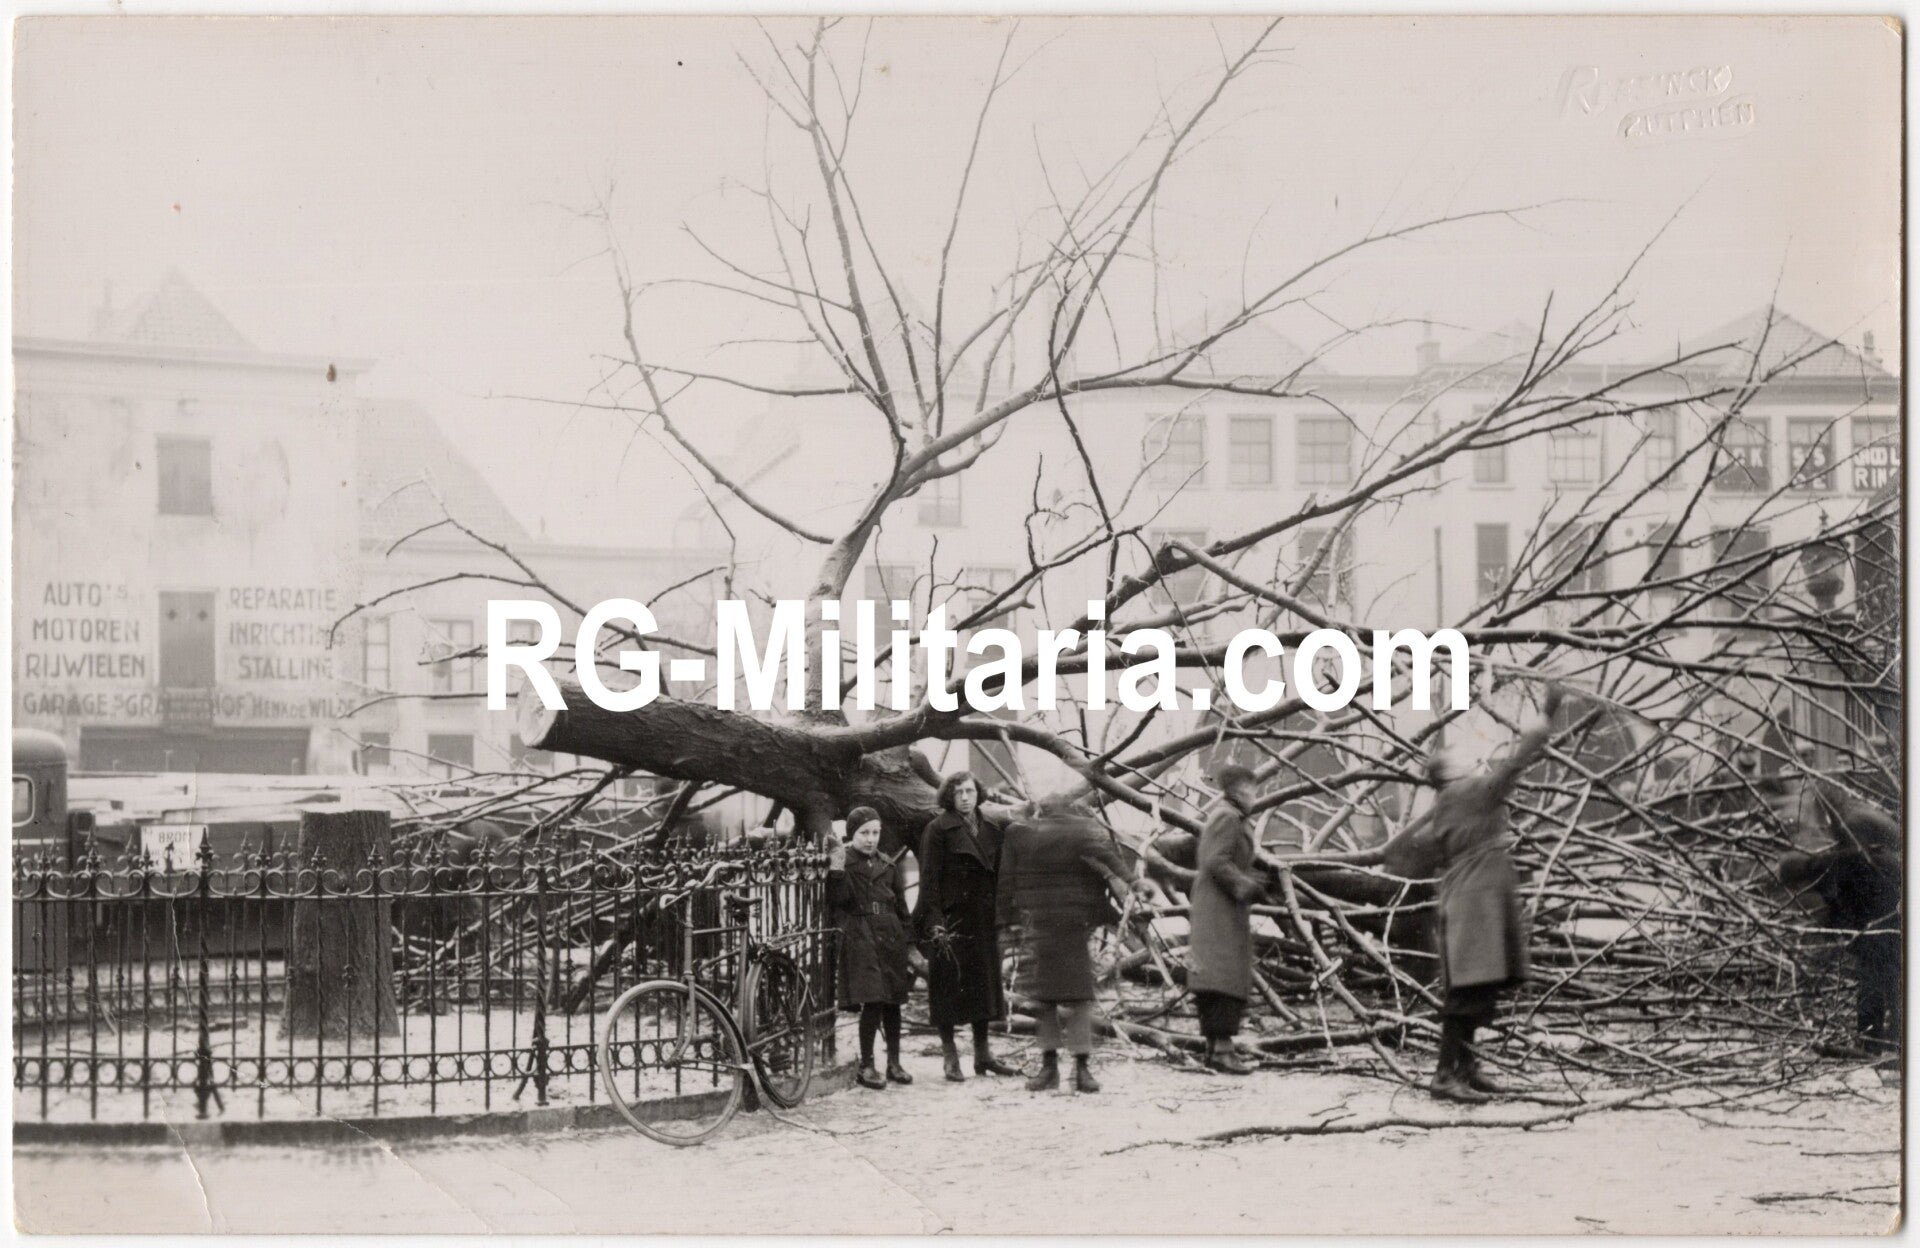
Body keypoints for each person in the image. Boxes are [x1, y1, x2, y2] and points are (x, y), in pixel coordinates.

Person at [1400, 683, 1563, 1103]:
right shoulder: (1468, 793)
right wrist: (1544, 719)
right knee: (1469, 992)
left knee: (1479, 987)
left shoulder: (1448, 801)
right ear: (1449, 772)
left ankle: (1465, 1066)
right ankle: (1445, 1074)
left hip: (1473, 897)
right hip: (1477, 903)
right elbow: (1513, 767)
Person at [996, 797, 1149, 1093]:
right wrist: (1132, 881)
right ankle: (1076, 1069)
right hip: (1064, 926)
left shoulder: (1036, 834)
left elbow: (1012, 880)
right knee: (1073, 1000)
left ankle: (1054, 1068)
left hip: (1050, 926)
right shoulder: (1071, 832)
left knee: (1051, 1001)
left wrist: (1012, 918)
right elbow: (1107, 856)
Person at [915, 773, 1018, 1082]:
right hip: (951, 922)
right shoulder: (937, 830)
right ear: (949, 796)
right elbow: (929, 881)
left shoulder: (991, 828)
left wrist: (1004, 915)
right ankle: (950, 1055)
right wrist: (934, 923)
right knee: (947, 987)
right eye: (958, 792)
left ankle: (983, 1055)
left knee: (983, 987)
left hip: (983, 920)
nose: (964, 797)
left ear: (978, 793)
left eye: (970, 790)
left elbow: (1001, 876)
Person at [1779, 797, 1902, 1051]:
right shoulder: (1879, 859)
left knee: (1873, 980)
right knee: (1892, 978)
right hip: (1889, 921)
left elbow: (1812, 876)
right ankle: (1894, 1038)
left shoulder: (1841, 862)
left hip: (1880, 925)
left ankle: (1872, 1042)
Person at [1187, 764, 1269, 1076]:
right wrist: (1246, 886)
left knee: (1217, 974)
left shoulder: (1230, 816)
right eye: (1251, 788)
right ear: (1237, 789)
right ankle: (1221, 1051)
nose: (1254, 795)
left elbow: (1230, 856)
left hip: (1219, 905)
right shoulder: (1228, 816)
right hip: (1219, 906)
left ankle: (1215, 1048)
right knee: (1223, 975)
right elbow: (1214, 860)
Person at [828, 806, 915, 1090]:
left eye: (875, 832)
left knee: (893, 1000)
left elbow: (901, 907)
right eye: (864, 833)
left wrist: (908, 940)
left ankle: (894, 1063)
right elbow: (837, 902)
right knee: (874, 999)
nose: (870, 839)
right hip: (861, 933)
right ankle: (867, 1064)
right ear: (852, 834)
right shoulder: (845, 862)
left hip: (890, 934)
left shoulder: (888, 865)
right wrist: (837, 870)